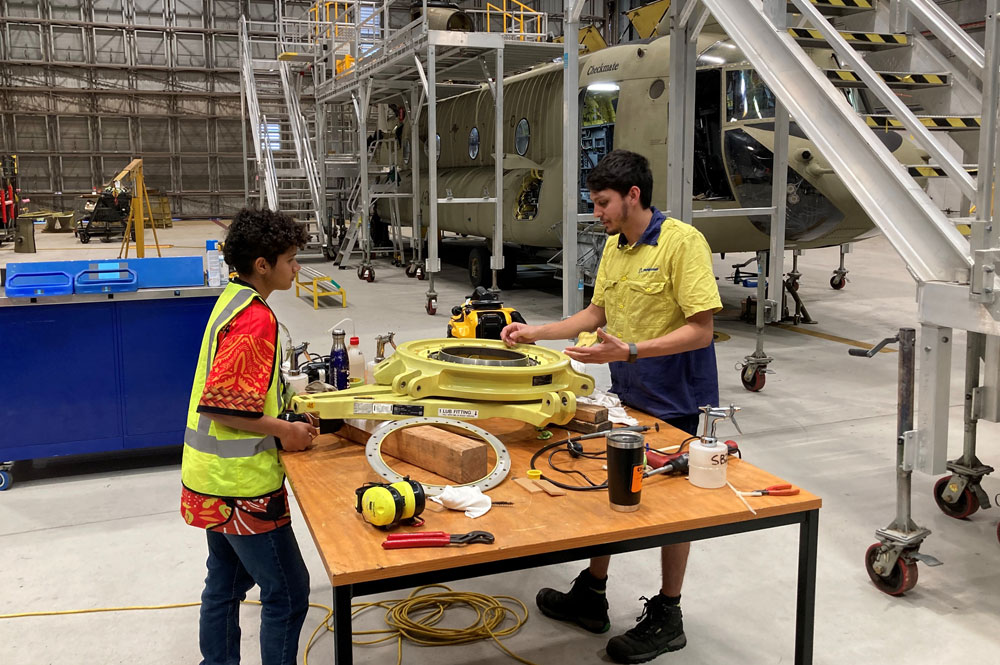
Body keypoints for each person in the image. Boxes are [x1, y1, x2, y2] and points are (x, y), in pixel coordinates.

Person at [500, 149, 722, 664]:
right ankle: (592, 593)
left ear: (633, 196)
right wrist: (536, 331)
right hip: (631, 395)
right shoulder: (615, 248)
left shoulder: (681, 243)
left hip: (679, 400)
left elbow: (701, 328)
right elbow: (597, 312)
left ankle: (669, 615)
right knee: (613, 489)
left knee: (675, 514)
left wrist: (632, 350)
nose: (596, 213)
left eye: (602, 203)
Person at [180, 207, 317, 665]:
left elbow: (235, 392)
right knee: (289, 592)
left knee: (224, 584)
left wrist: (287, 411)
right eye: (292, 259)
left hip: (210, 478)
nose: (298, 268)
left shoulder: (232, 298)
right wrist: (286, 433)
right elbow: (224, 409)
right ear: (263, 264)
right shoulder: (257, 319)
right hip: (244, 487)